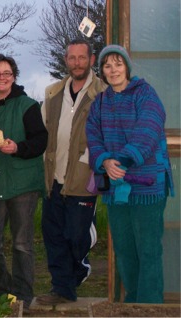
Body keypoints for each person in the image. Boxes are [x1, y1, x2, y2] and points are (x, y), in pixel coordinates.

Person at [86, 45, 174, 303]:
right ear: (102, 71)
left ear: (127, 67)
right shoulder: (100, 102)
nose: (113, 70)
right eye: (107, 65)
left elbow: (147, 130)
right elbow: (93, 135)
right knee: (124, 249)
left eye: (118, 64)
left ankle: (150, 306)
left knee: (148, 250)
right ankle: (133, 303)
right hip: (116, 189)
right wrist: (104, 160)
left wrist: (120, 160)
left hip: (148, 186)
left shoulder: (146, 94)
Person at [37, 38, 106, 305]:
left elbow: (108, 134)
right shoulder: (53, 92)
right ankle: (62, 288)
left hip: (83, 179)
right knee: (53, 236)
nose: (76, 63)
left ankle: (81, 266)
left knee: (76, 235)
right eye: (72, 58)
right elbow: (42, 130)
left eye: (82, 58)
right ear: (66, 60)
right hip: (54, 178)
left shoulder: (103, 93)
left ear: (91, 60)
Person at [0, 54, 47, 311]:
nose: (1, 78)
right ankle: (3, 293)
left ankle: (22, 296)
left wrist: (18, 147)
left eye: (6, 73)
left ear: (14, 77)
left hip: (22, 184)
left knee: (22, 244)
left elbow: (41, 140)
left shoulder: (27, 105)